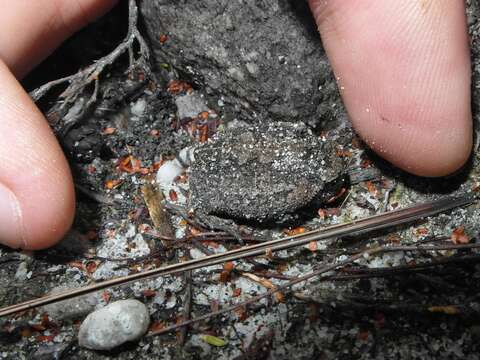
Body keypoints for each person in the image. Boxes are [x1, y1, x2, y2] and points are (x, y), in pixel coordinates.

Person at [0, 0, 472, 250]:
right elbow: (280, 198)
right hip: (222, 179)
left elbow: (282, 151)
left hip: (235, 165)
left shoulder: (304, 161)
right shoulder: (300, 184)